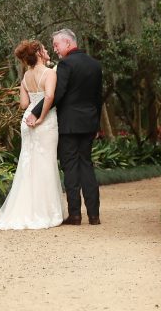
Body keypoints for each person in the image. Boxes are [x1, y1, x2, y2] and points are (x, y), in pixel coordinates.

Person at [0, 40, 66, 230]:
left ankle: (27, 209)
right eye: (44, 48)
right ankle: (47, 212)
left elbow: (24, 104)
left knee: (29, 165)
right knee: (46, 163)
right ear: (40, 53)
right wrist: (41, 117)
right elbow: (49, 96)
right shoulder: (50, 72)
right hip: (44, 120)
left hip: (27, 121)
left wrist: (33, 107)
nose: (47, 50)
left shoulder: (25, 76)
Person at [26, 29, 102, 225]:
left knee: (70, 167)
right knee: (86, 165)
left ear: (68, 43)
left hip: (69, 124)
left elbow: (57, 94)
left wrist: (35, 111)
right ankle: (94, 215)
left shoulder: (66, 64)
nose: (55, 49)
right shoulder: (95, 65)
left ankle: (75, 215)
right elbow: (98, 98)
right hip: (89, 123)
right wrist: (96, 123)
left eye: (56, 45)